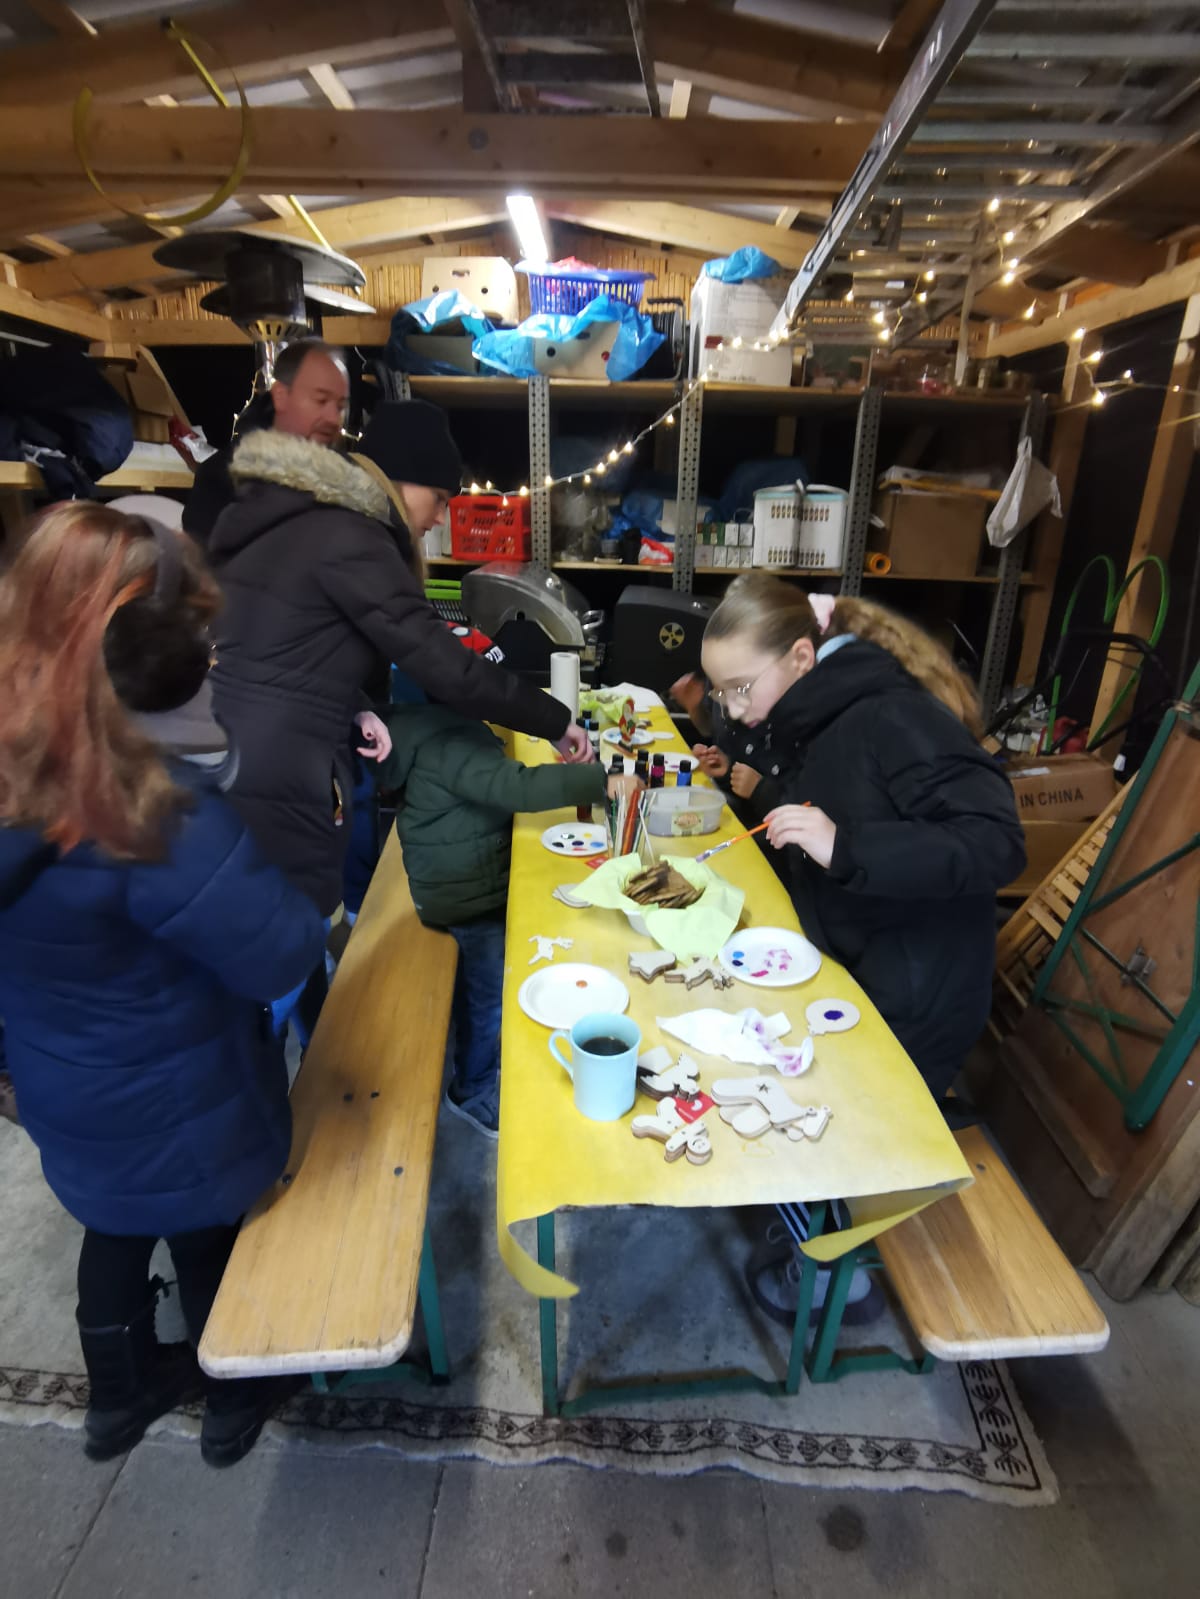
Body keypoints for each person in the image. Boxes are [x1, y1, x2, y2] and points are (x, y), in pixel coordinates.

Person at [0, 502, 327, 1468]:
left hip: (63, 1083)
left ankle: (118, 1396)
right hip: (180, 1093)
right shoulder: (153, 819)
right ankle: (235, 1397)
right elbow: (278, 953)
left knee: (112, 1222)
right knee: (203, 1229)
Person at [700, 574, 1025, 1324]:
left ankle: (842, 1275)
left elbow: (995, 842)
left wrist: (844, 844)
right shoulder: (809, 715)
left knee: (814, 1121)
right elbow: (816, 792)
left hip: (917, 993)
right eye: (724, 695)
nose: (736, 709)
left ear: (803, 657)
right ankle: (811, 1205)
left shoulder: (894, 717)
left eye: (741, 688)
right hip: (860, 963)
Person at [206, 396, 591, 928]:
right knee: (287, 927)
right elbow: (446, 666)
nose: (438, 518)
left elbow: (289, 651)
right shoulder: (351, 536)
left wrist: (354, 706)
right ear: (399, 480)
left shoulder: (313, 521)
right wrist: (554, 720)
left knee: (292, 914)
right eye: (437, 498)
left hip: (258, 746)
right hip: (278, 764)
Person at [380, 700, 642, 1136]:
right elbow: (516, 787)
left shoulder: (427, 724)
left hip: (459, 878)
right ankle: (474, 1090)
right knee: (487, 997)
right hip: (467, 898)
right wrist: (600, 781)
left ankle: (486, 1068)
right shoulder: (448, 746)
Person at [182, 339, 351, 547]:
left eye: (341, 406)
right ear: (280, 396)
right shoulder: (221, 478)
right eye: (321, 400)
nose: (333, 418)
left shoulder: (351, 476)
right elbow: (203, 569)